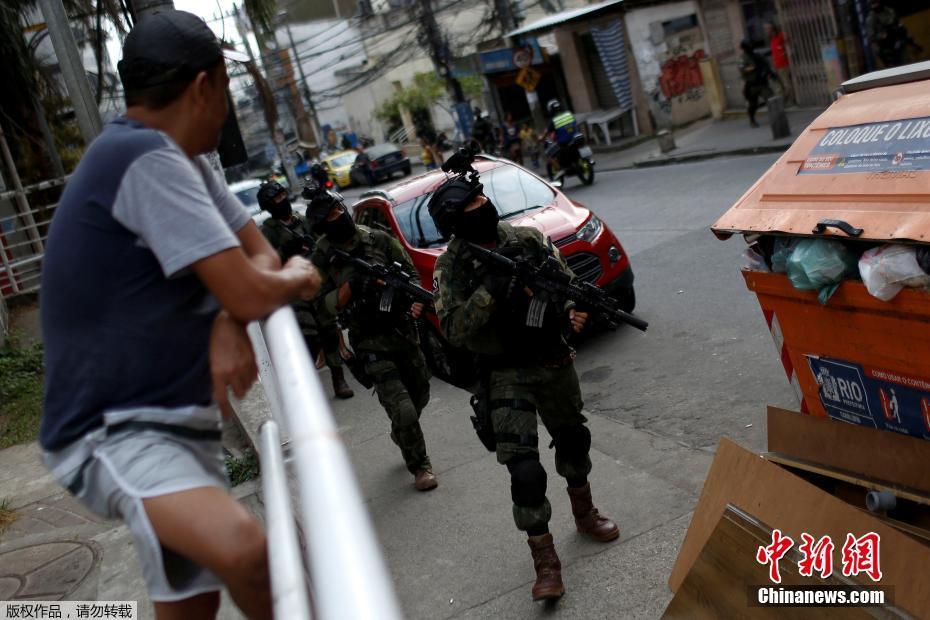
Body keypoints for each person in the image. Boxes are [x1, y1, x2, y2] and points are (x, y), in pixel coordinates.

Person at [38, 10, 321, 619]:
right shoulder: (144, 158)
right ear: (205, 85)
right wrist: (299, 276)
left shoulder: (182, 162)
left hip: (175, 431)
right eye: (228, 89)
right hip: (115, 434)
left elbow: (257, 258)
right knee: (248, 553)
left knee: (193, 607)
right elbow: (263, 279)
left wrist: (229, 318)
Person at [428, 173, 619, 601]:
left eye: (482, 198)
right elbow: (453, 329)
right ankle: (546, 561)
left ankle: (585, 512)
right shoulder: (452, 266)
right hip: (504, 372)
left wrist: (574, 310)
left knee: (574, 441)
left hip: (551, 359)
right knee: (526, 471)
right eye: (472, 205)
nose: (483, 206)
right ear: (454, 221)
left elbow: (566, 282)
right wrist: (490, 293)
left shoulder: (526, 240)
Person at [306, 187, 439, 492]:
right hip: (368, 340)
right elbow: (319, 307)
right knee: (403, 409)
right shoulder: (322, 258)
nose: (339, 218)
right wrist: (351, 287)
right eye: (330, 217)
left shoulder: (376, 239)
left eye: (340, 210)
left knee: (420, 393)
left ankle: (402, 431)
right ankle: (420, 466)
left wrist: (415, 300)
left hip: (402, 331)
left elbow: (409, 273)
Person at [257, 181, 354, 399]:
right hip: (294, 291)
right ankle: (307, 387)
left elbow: (324, 240)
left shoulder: (303, 221)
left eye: (283, 196)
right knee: (308, 339)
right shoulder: (268, 232)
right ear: (269, 206)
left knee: (329, 332)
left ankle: (339, 379)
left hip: (317, 282)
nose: (282, 202)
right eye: (277, 199)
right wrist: (285, 251)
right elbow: (266, 265)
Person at [866, 0, 921, 68]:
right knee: (894, 67)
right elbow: (871, 36)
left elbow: (900, 25)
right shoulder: (871, 18)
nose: (875, 5)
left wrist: (905, 35)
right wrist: (882, 36)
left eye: (876, 2)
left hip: (898, 41)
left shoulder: (890, 11)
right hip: (886, 47)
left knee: (907, 63)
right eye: (873, 3)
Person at [739, 39, 775, 128]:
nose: (750, 47)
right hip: (752, 85)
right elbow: (742, 69)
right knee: (752, 105)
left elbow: (766, 65)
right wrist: (750, 68)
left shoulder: (757, 55)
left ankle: (775, 118)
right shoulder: (743, 58)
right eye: (748, 46)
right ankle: (752, 120)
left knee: (771, 99)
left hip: (762, 83)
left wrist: (770, 73)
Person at [542, 99, 577, 176]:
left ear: (550, 110)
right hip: (575, 138)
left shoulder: (553, 120)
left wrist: (541, 138)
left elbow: (547, 131)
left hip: (563, 143)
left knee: (548, 154)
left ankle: (560, 170)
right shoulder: (568, 114)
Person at [763, 22, 793, 107]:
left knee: (786, 83)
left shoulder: (780, 36)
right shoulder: (772, 39)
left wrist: (785, 53)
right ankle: (783, 102)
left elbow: (789, 42)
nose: (765, 31)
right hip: (777, 65)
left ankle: (790, 101)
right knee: (780, 85)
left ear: (772, 29)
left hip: (784, 65)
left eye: (767, 29)